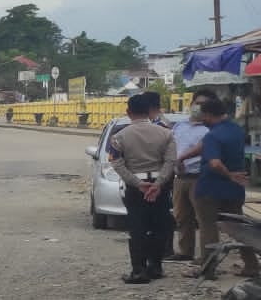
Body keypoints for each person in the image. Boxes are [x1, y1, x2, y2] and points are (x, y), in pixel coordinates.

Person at [108, 93, 176, 283]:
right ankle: (156, 267)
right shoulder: (166, 133)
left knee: (137, 229)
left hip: (136, 189)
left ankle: (138, 271)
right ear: (149, 112)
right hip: (159, 189)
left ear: (128, 112)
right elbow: (171, 161)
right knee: (159, 228)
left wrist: (138, 184)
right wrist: (157, 184)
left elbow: (116, 163)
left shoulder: (119, 137)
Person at [192, 96, 259, 279]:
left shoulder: (212, 135)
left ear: (208, 114)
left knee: (208, 228)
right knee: (239, 229)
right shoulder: (236, 130)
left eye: (202, 115)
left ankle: (208, 269)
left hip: (210, 188)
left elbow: (214, 163)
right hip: (234, 189)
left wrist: (228, 174)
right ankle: (252, 265)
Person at [168, 97, 211, 261]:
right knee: (181, 216)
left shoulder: (207, 130)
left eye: (202, 105)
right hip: (179, 177)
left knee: (203, 217)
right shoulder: (180, 126)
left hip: (198, 177)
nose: (198, 108)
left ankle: (206, 256)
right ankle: (185, 251)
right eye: (196, 104)